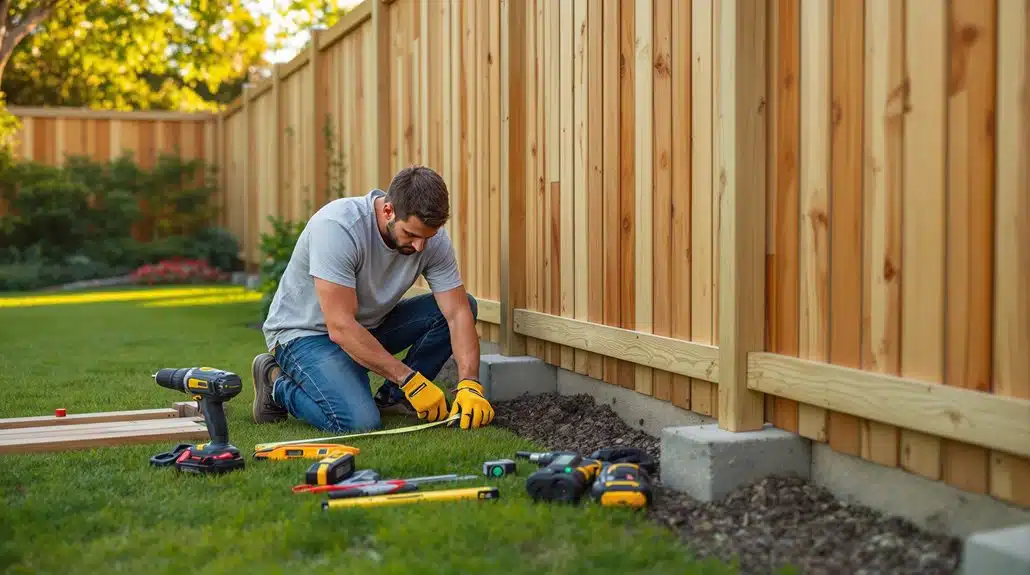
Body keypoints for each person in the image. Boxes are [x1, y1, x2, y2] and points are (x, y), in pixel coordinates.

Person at [249, 165, 494, 433]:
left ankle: (394, 400)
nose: (419, 247)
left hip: (367, 328)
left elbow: (457, 313)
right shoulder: (338, 227)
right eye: (410, 235)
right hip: (305, 335)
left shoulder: (429, 240)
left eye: (427, 237)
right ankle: (276, 383)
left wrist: (470, 384)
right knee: (359, 422)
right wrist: (410, 379)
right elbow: (340, 325)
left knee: (465, 305)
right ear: (388, 210)